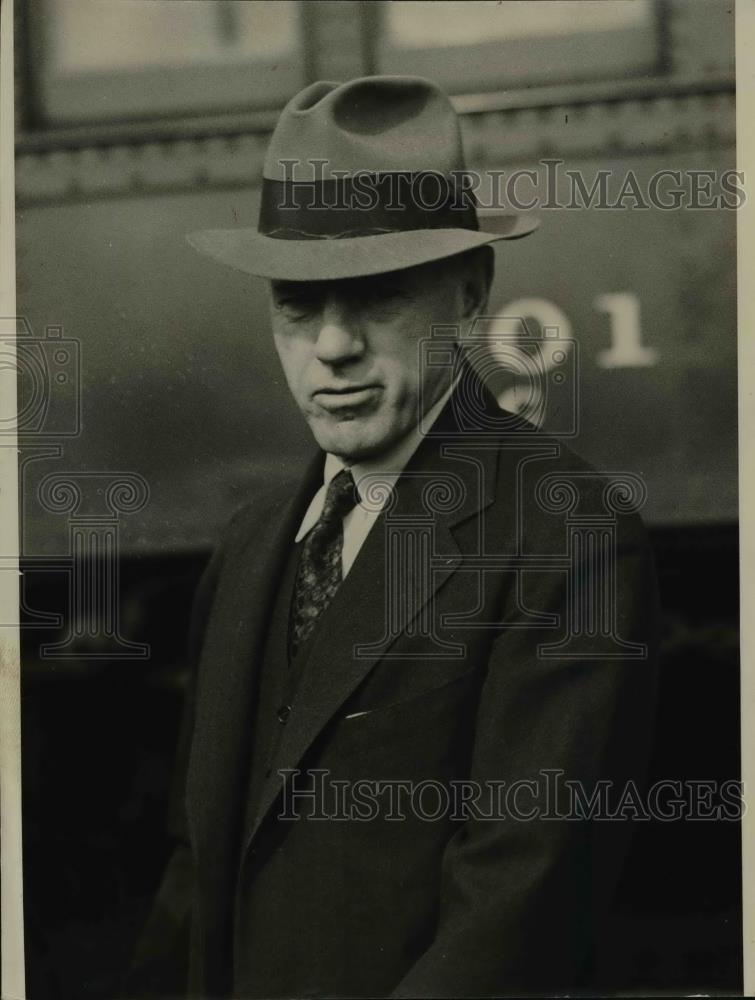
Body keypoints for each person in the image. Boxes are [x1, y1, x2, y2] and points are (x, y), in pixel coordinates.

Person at [128, 75, 660, 999]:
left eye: (374, 296)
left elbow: (517, 907)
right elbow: (195, 869)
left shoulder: (565, 534)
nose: (331, 346)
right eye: (297, 302)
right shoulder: (252, 545)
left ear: (468, 292)